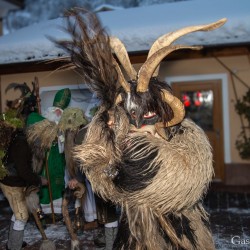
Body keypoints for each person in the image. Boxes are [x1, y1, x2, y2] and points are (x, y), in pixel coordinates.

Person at [56, 9, 226, 249]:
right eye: (131, 114)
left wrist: (147, 147)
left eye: (146, 113)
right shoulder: (120, 132)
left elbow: (190, 182)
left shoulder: (184, 135)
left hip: (179, 228)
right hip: (136, 228)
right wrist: (107, 138)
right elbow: (106, 179)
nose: (139, 123)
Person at [0, 83, 48, 250]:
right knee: (21, 215)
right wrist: (38, 180)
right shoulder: (22, 143)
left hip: (16, 180)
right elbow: (22, 170)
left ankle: (14, 241)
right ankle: (13, 246)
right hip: (11, 183)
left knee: (17, 213)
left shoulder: (25, 139)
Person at [26, 88, 71, 219]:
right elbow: (32, 121)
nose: (57, 112)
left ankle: (56, 213)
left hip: (58, 159)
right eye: (55, 110)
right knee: (45, 185)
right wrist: (46, 128)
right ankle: (44, 213)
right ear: (50, 110)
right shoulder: (41, 120)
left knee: (57, 184)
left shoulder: (62, 126)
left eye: (60, 112)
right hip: (46, 157)